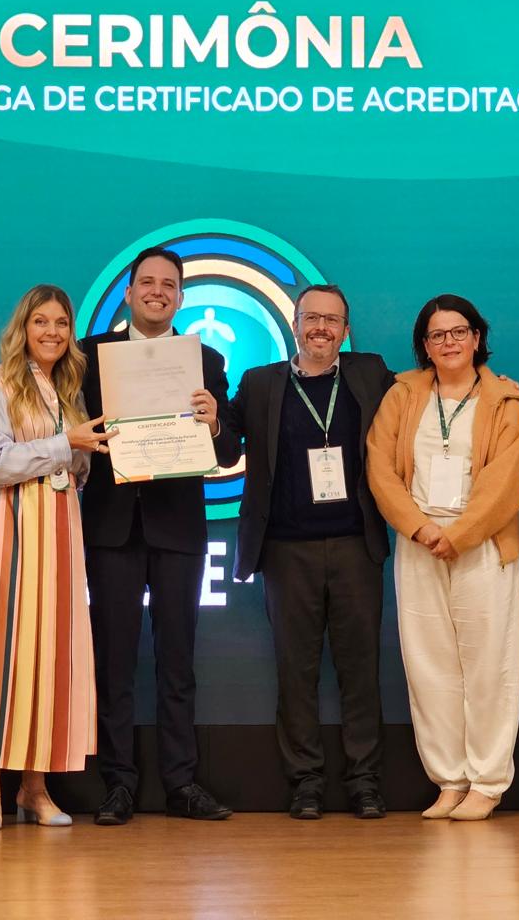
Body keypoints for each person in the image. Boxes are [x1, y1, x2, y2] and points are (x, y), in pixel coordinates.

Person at [80, 246, 243, 824]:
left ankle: (181, 783)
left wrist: (215, 419)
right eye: (146, 283)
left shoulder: (208, 360)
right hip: (111, 525)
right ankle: (118, 783)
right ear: (127, 293)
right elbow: (69, 436)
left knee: (178, 661)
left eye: (168, 285)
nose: (156, 292)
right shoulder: (86, 356)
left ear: (180, 296)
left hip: (178, 528)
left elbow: (228, 452)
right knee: (114, 659)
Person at [226, 285, 394, 820]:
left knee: (360, 670)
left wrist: (488, 381)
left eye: (333, 320)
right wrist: (208, 420)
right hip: (285, 551)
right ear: (294, 323)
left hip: (355, 546)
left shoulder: (370, 374)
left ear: (347, 330)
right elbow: (226, 443)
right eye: (312, 318)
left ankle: (365, 781)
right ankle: (305, 783)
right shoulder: (259, 383)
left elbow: (432, 390)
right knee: (294, 672)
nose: (321, 328)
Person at [367, 294, 519, 821]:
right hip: (417, 545)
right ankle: (450, 779)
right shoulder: (402, 395)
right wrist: (418, 527)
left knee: (490, 666)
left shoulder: (506, 400)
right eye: (437, 336)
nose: (449, 343)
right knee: (429, 665)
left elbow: (508, 479)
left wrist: (458, 533)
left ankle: (486, 780)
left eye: (458, 332)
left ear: (477, 337)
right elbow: (380, 466)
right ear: (424, 345)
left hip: (481, 545)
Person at [0, 285, 109, 830]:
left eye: (61, 323)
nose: (52, 332)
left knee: (50, 655)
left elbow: (76, 467)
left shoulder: (68, 391)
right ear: (23, 328)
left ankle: (35, 788)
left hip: (60, 530)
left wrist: (84, 454)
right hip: (8, 530)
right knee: (2, 654)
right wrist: (68, 446)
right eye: (41, 322)